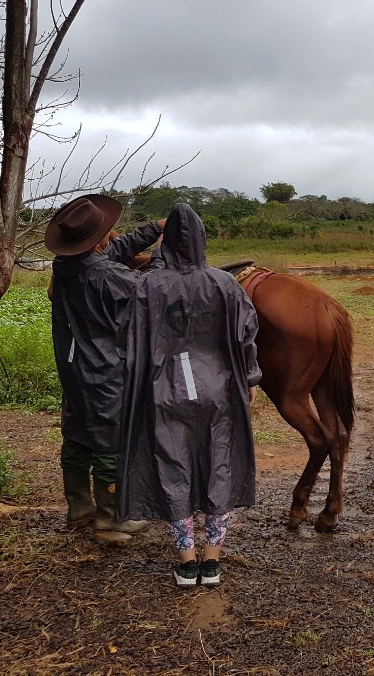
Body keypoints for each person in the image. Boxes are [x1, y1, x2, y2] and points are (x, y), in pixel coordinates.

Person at [117, 203, 262, 589]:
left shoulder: (147, 285)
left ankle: (186, 563)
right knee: (219, 465)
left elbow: (129, 339)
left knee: (173, 467)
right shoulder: (225, 284)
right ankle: (211, 563)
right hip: (218, 390)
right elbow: (246, 335)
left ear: (166, 243)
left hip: (164, 390)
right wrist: (250, 378)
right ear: (201, 239)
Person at [45, 194, 163, 540]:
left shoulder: (64, 265)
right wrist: (162, 253)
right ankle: (111, 518)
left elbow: (110, 252)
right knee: (111, 441)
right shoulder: (108, 275)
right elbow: (153, 290)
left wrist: (153, 229)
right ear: (98, 239)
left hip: (73, 367)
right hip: (105, 370)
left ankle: (80, 508)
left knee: (76, 435)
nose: (113, 236)